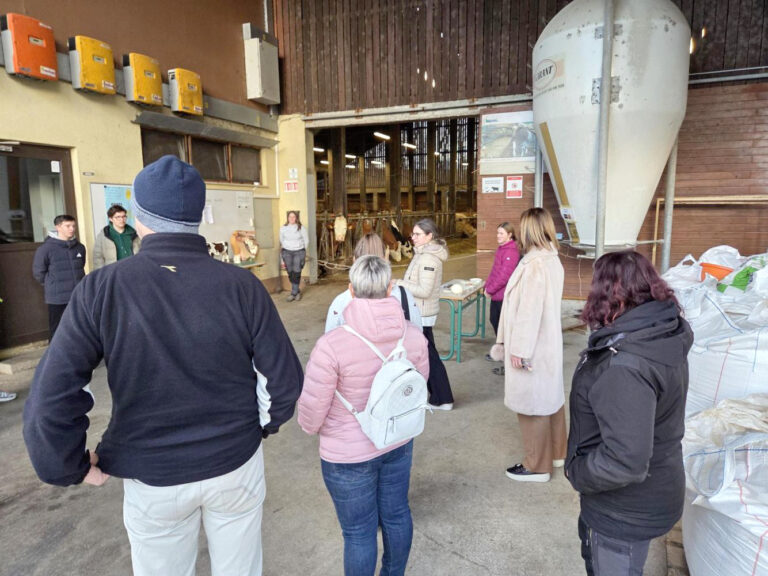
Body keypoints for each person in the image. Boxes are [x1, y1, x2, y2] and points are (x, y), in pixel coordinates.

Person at [23, 155, 304, 576]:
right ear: (198, 217)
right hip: (234, 463)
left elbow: (51, 394)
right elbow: (284, 381)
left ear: (138, 218)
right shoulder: (242, 285)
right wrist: (260, 426)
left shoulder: (102, 288)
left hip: (151, 473)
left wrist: (68, 466)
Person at [299, 255, 429, 576]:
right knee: (397, 515)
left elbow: (312, 414)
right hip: (397, 441)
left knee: (359, 532)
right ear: (390, 287)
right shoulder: (413, 336)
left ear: (350, 290)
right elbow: (417, 386)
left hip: (347, 455)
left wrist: (313, 427)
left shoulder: (332, 345)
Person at [566, 250, 693, 576]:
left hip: (622, 511)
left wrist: (578, 472)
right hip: (657, 488)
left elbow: (625, 460)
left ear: (607, 294)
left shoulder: (624, 364)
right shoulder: (660, 332)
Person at [493, 207, 565, 482]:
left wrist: (519, 350)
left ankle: (537, 466)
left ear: (529, 230)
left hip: (532, 345)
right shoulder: (551, 259)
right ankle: (557, 454)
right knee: (551, 399)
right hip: (547, 342)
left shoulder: (535, 264)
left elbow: (529, 310)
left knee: (532, 402)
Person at [395, 218, 454, 410]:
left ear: (430, 236)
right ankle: (438, 396)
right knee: (427, 354)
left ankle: (443, 398)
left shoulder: (428, 258)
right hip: (417, 311)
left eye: (418, 234)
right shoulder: (421, 254)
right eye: (413, 234)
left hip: (422, 313)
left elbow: (425, 290)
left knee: (429, 356)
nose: (413, 237)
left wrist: (399, 283)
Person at [325, 232, 422, 332]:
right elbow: (418, 331)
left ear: (354, 261)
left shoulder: (341, 302)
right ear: (386, 257)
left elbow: (330, 336)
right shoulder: (404, 295)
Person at [32, 214, 86, 338]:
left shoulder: (80, 247)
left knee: (79, 327)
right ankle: (55, 350)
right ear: (58, 227)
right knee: (57, 329)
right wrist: (52, 284)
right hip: (57, 297)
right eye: (68, 226)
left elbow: (80, 266)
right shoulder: (45, 249)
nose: (72, 229)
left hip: (77, 295)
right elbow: (39, 272)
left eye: (73, 226)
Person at [484, 222, 521, 375]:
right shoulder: (502, 249)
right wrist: (487, 285)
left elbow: (504, 276)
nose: (498, 236)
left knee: (503, 328)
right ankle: (500, 352)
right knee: (495, 321)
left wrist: (490, 289)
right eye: (497, 233)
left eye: (501, 233)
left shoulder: (511, 251)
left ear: (510, 235)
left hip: (503, 296)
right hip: (496, 295)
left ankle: (507, 360)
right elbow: (495, 271)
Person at [92, 204, 140, 268]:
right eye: (118, 217)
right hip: (113, 271)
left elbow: (141, 253)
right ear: (110, 219)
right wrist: (103, 272)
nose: (122, 219)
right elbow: (97, 257)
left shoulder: (134, 233)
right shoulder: (104, 235)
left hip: (132, 269)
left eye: (124, 216)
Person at [279, 210, 310, 301]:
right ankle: (297, 291)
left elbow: (306, 240)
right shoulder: (283, 228)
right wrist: (287, 248)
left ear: (296, 218)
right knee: (290, 272)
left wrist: (302, 250)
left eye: (293, 217)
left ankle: (293, 293)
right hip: (287, 252)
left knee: (296, 271)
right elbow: (281, 240)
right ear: (288, 218)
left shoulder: (301, 228)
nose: (292, 218)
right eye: (290, 217)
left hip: (298, 252)